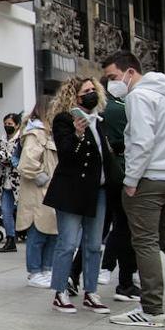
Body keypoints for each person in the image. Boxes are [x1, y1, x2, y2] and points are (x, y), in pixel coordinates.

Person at [101, 51, 165, 327]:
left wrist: (131, 180)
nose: (112, 84)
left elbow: (142, 142)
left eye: (112, 77)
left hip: (149, 179)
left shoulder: (139, 97)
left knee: (145, 242)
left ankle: (151, 309)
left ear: (129, 72)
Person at [39, 78, 112, 314]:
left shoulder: (99, 120)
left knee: (93, 245)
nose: (91, 94)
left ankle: (91, 292)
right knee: (67, 243)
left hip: (97, 191)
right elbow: (67, 154)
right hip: (71, 191)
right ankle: (60, 291)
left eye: (93, 90)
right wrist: (78, 135)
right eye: (85, 92)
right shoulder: (65, 119)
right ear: (75, 97)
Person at [98, 81, 141, 302]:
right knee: (123, 227)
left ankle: (100, 271)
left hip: (107, 174)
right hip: (123, 172)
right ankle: (124, 280)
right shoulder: (122, 108)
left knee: (109, 227)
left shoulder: (104, 109)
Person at [15, 107, 58, 288]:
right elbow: (27, 163)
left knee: (52, 232)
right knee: (38, 232)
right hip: (38, 191)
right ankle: (34, 271)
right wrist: (43, 177)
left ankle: (47, 268)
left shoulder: (51, 133)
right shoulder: (35, 134)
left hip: (53, 190)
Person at [0, 112, 22, 253]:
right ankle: (10, 239)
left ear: (17, 125)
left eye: (10, 124)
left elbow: (15, 158)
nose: (7, 126)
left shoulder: (21, 140)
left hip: (19, 181)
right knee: (6, 211)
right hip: (4, 181)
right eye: (6, 124)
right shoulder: (1, 140)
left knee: (24, 211)